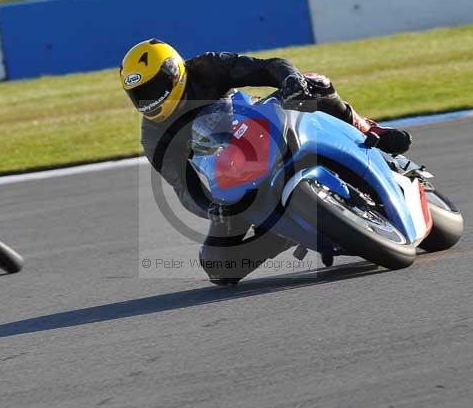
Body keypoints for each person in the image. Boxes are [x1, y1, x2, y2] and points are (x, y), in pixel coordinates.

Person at [120, 39, 412, 284]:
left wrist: (291, 81)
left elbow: (270, 65)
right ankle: (279, 234)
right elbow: (184, 188)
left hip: (259, 126)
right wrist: (213, 208)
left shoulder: (206, 68)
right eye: (138, 94)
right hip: (230, 178)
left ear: (174, 73)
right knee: (218, 266)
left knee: (315, 82)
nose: (147, 100)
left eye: (152, 88)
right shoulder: (154, 137)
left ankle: (369, 130)